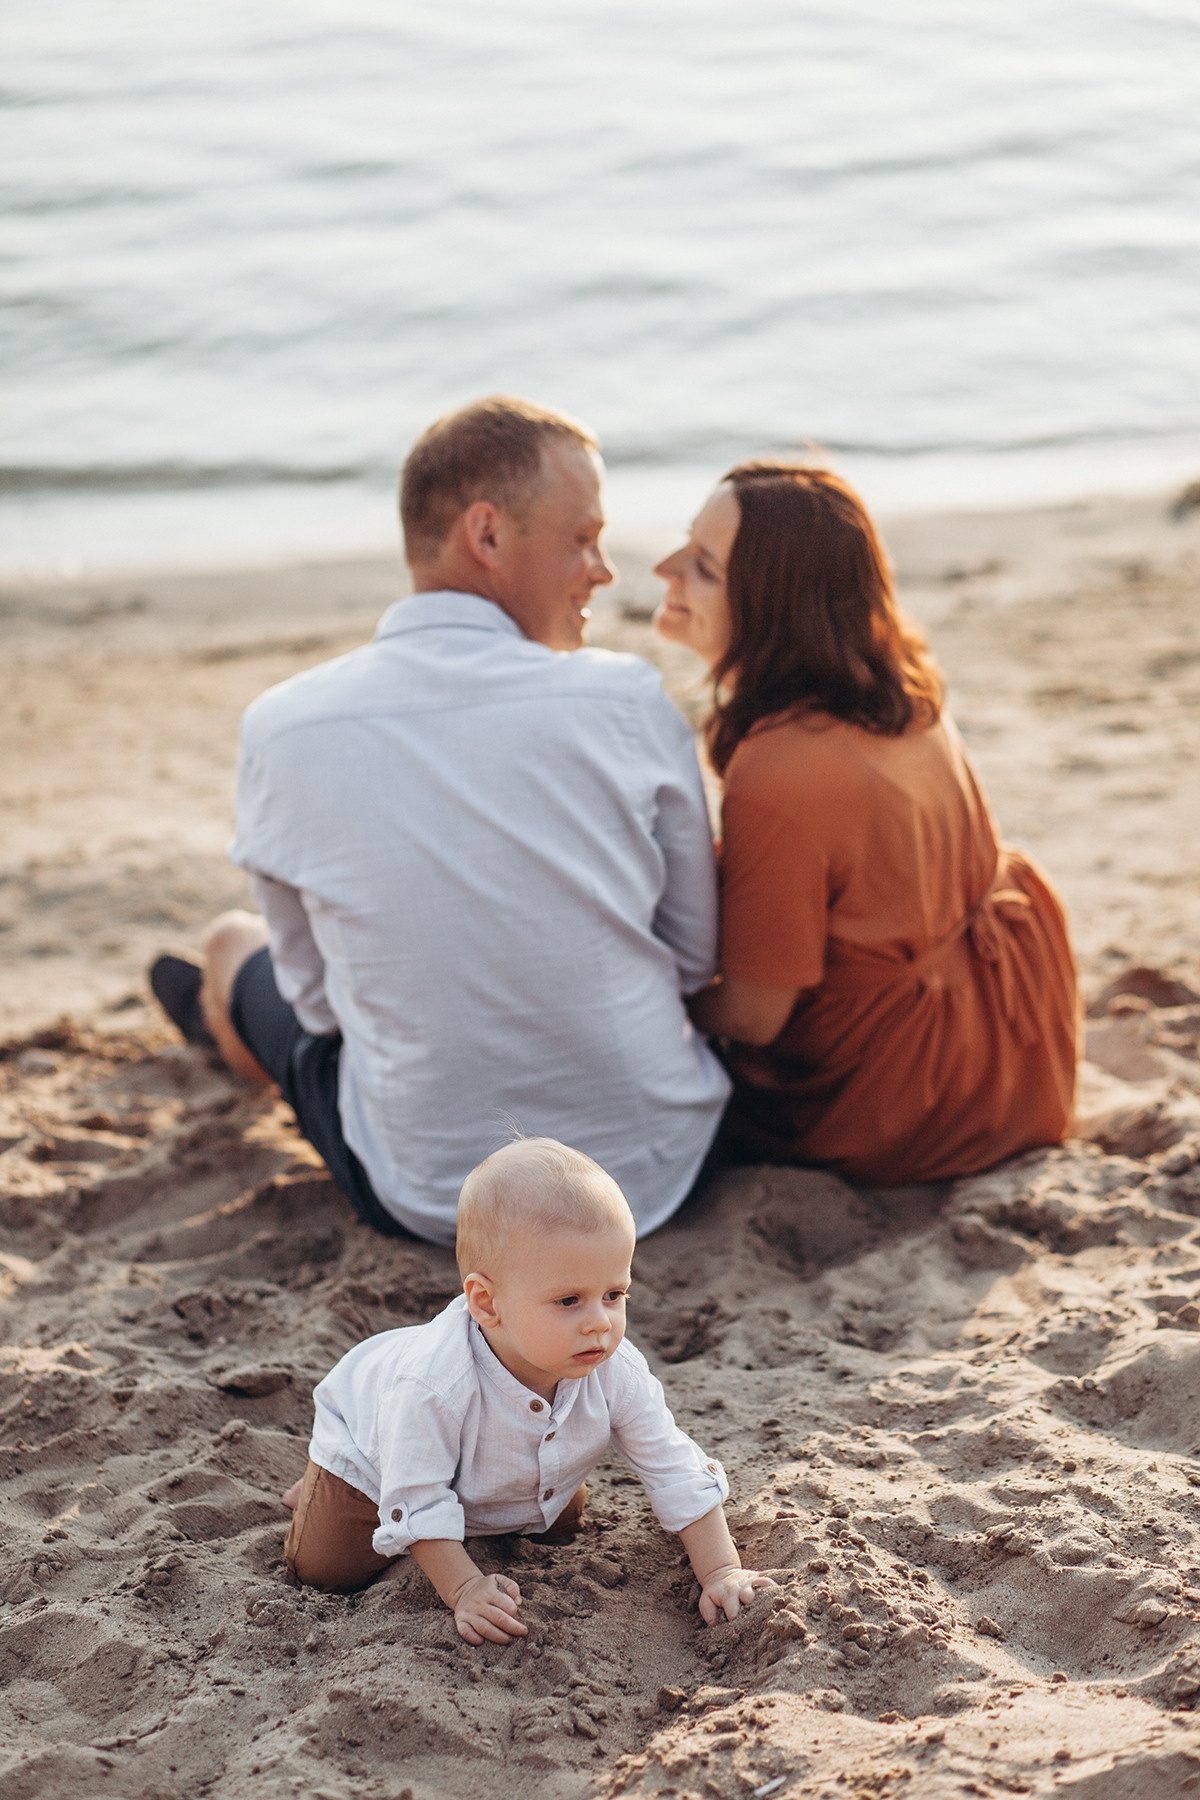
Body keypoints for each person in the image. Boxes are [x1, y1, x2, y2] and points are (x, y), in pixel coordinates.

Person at [150, 397, 729, 1242]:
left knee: (236, 946)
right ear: (487, 535)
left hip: (434, 1199)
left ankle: (218, 1018)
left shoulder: (285, 724)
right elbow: (693, 959)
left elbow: (319, 1010)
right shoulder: (627, 698)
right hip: (659, 1167)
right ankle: (218, 1014)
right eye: (582, 537)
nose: (603, 569)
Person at [653, 462, 1078, 1186]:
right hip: (1017, 1047)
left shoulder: (782, 766)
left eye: (704, 566)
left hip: (910, 1101)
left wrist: (643, 984)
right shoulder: (901, 683)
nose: (665, 569)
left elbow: (755, 1017)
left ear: (773, 606)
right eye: (684, 545)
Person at [283, 1138, 776, 1641]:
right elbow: (419, 1501)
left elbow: (674, 1466)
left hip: (487, 1464)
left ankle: (480, 1499)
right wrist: (465, 1589)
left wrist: (720, 1571)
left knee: (560, 1522)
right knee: (325, 1569)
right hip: (372, 1454)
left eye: (614, 1294)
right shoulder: (432, 1387)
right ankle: (326, 1481)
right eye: (569, 1300)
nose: (600, 1324)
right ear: (486, 1302)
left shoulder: (614, 1366)